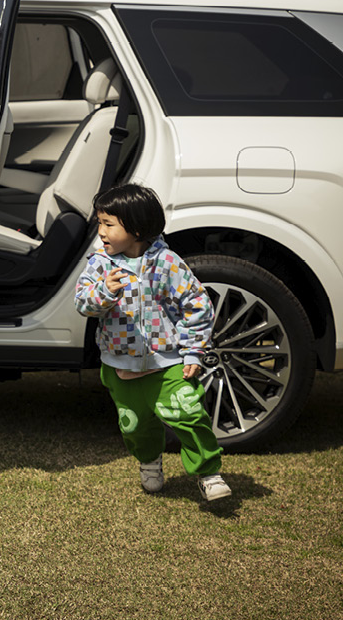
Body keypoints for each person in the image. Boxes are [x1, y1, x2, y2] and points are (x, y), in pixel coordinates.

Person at [74, 183, 232, 502]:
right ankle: (149, 461)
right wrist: (104, 291)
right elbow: (82, 303)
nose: (100, 231)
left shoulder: (167, 263)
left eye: (108, 224)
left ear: (136, 228)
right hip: (122, 366)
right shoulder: (100, 264)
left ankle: (208, 471)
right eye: (100, 222)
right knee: (135, 427)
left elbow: (197, 303)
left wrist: (192, 351)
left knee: (188, 413)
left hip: (168, 363)